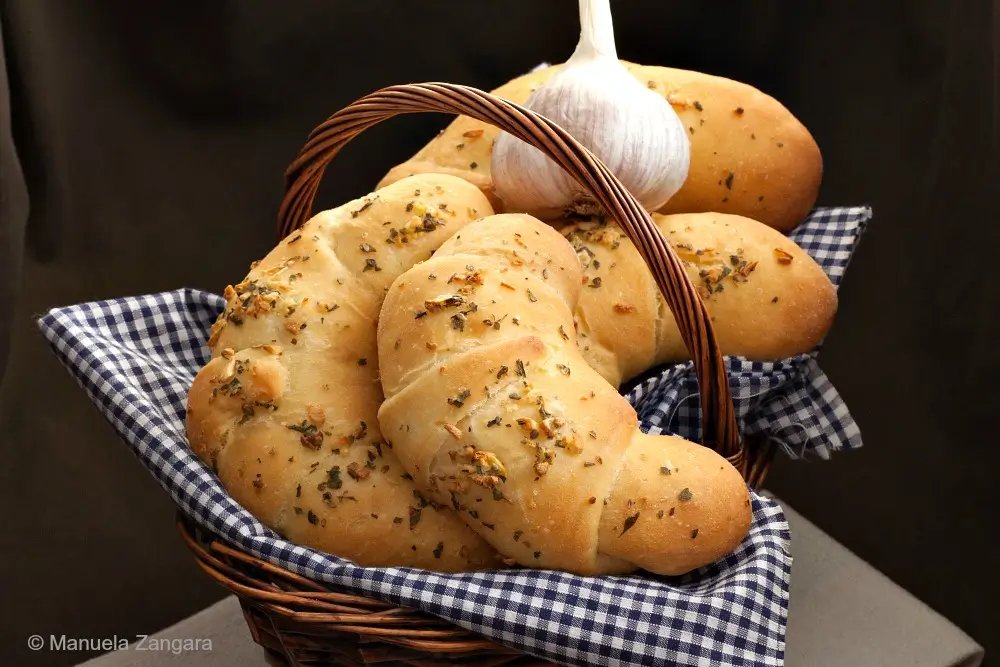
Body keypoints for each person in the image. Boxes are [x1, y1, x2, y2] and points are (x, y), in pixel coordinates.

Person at [0, 3, 995, 667]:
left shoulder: (494, 250)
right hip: (449, 339)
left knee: (756, 263)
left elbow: (775, 256)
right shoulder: (450, 242)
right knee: (435, 217)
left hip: (517, 300)